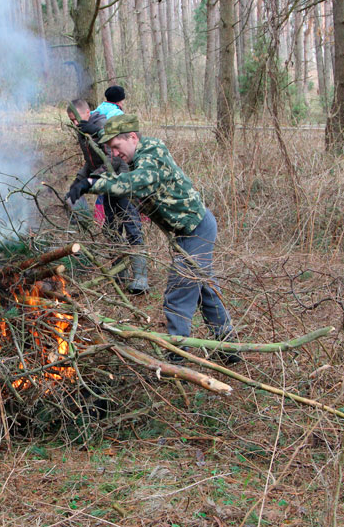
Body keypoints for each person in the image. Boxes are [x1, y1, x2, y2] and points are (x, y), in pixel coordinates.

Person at [71, 114, 242, 364]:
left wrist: (91, 184)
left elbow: (136, 183)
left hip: (196, 229)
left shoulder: (152, 153)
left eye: (116, 147)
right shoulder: (136, 157)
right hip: (189, 231)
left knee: (179, 291)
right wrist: (94, 139)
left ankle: (177, 357)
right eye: (111, 149)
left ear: (133, 137)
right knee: (206, 290)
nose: (115, 154)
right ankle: (228, 348)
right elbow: (111, 162)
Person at [65, 99, 148, 294]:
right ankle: (119, 274)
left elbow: (113, 159)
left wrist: (91, 181)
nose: (75, 123)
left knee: (131, 224)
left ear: (87, 112)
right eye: (71, 121)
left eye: (76, 119)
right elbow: (91, 161)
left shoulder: (102, 126)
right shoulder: (82, 132)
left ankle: (140, 277)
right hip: (106, 185)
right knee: (111, 228)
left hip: (122, 181)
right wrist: (79, 180)